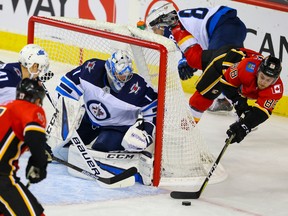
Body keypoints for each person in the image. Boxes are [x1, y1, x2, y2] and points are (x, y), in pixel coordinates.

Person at [164, 16, 284, 143]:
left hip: (233, 59)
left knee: (195, 59)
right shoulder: (246, 68)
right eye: (262, 77)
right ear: (258, 71)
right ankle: (182, 131)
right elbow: (226, 84)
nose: (263, 82)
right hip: (223, 64)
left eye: (268, 80)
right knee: (202, 99)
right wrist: (239, 103)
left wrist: (245, 127)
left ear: (275, 79)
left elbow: (262, 112)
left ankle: (175, 25)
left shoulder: (276, 90)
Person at [146, 3, 248, 113]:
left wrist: (187, 63)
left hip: (222, 26)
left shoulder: (170, 28)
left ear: (160, 24)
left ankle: (244, 113)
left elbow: (190, 49)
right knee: (228, 69)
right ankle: (224, 101)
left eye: (154, 29)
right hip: (228, 25)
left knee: (217, 69)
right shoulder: (177, 20)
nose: (154, 33)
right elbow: (190, 46)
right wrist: (186, 62)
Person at [55, 49, 157, 152]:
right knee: (67, 143)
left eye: (127, 75)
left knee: (101, 148)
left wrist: (147, 133)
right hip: (89, 119)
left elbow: (153, 108)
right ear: (110, 70)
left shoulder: (137, 87)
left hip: (117, 128)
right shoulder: (91, 69)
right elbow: (68, 85)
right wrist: (66, 112)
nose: (124, 79)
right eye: (120, 75)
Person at [0, 78, 48, 216]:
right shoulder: (32, 109)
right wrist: (39, 163)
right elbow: (34, 137)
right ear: (37, 99)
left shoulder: (4, 107)